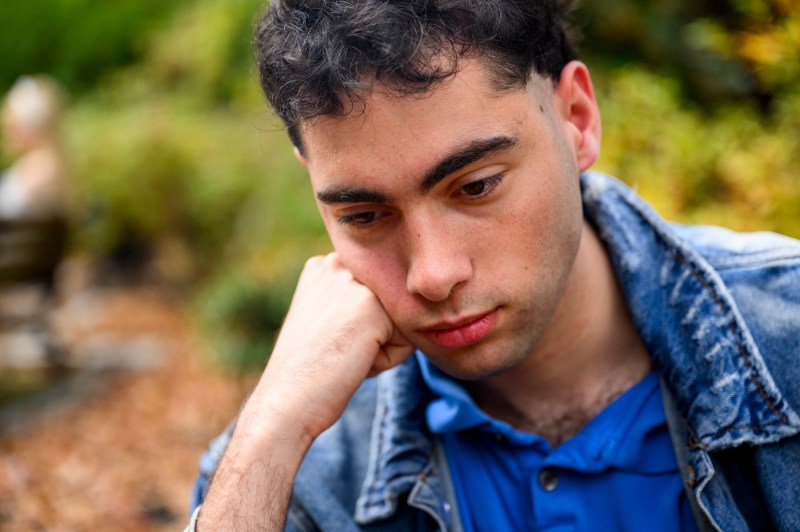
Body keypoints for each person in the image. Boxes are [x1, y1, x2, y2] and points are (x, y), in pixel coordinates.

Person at [188, 1, 800, 530]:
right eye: (365, 216)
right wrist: (270, 435)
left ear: (576, 121)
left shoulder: (787, 333)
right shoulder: (299, 467)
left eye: (476, 186)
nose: (432, 274)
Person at [1, 75, 68, 221]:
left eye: (13, 127)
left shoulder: (41, 168)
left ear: (32, 125)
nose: (7, 134)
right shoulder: (44, 163)